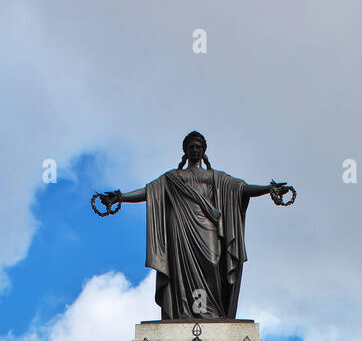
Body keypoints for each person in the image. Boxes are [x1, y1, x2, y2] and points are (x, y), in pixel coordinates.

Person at [96, 132, 293, 320]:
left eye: (198, 147)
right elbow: (149, 192)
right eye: (191, 147)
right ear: (185, 151)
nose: (195, 150)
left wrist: (268, 189)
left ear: (203, 150)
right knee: (180, 271)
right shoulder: (173, 177)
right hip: (180, 227)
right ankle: (186, 312)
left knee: (212, 263)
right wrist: (121, 197)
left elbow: (241, 189)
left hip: (207, 226)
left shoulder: (215, 177)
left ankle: (211, 311)